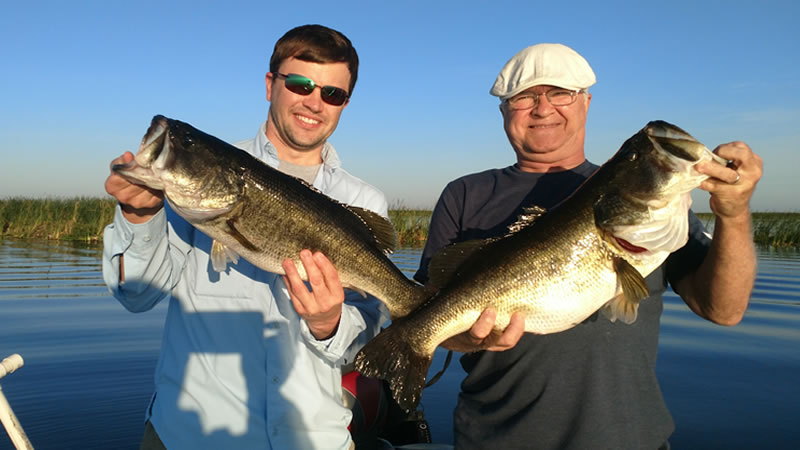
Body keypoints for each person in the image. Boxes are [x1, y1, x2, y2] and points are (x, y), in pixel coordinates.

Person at [414, 43, 762, 449]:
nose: (543, 108)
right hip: (496, 438)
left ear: (586, 103)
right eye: (525, 97)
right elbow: (432, 318)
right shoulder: (465, 195)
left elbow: (724, 310)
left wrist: (734, 215)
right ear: (505, 110)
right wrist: (467, 339)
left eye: (561, 93)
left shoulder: (654, 205)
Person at [102, 24, 390, 449]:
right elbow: (136, 296)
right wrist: (139, 214)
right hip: (190, 437)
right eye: (300, 84)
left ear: (345, 104)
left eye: (332, 94)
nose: (314, 101)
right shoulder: (195, 196)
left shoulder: (363, 200)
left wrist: (329, 324)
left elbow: (363, 343)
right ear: (271, 84)